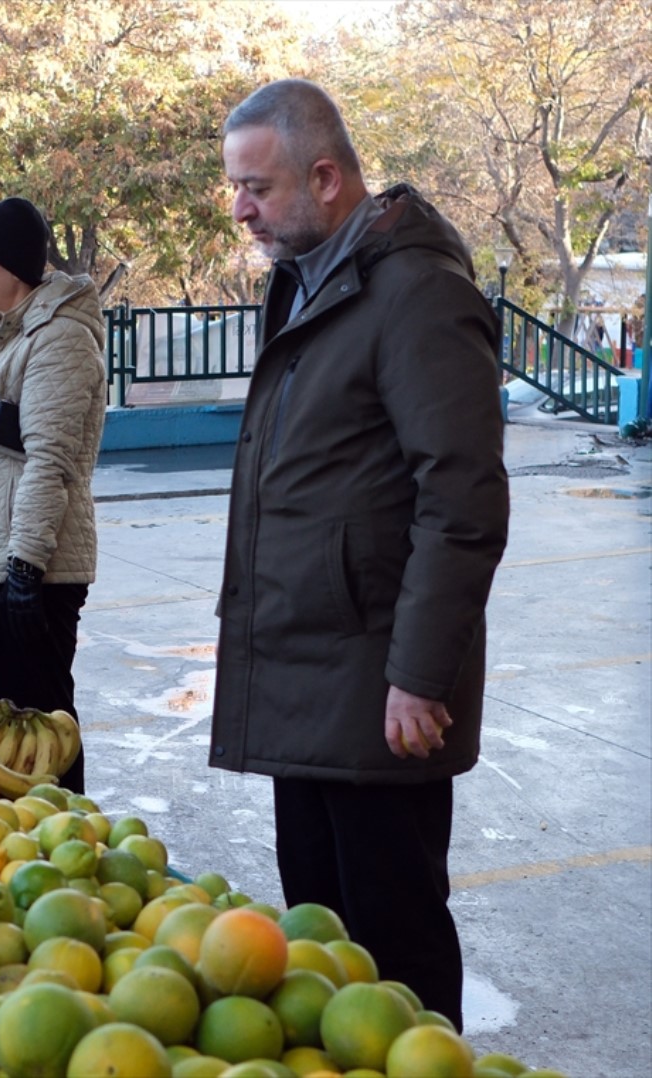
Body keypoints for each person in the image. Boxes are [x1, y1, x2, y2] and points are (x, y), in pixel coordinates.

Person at [211, 79, 510, 1029]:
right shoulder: (308, 281)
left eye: (256, 186)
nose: (241, 208)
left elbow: (461, 499)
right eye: (236, 186)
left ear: (327, 177)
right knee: (326, 949)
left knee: (399, 955)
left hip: (382, 697)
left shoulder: (417, 292)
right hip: (310, 680)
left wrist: (420, 677)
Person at [0, 197, 107, 792]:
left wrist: (24, 570)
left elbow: (50, 464)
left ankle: (69, 841)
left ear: (12, 264)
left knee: (41, 735)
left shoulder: (58, 341)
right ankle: (13, 843)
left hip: (29, 569)